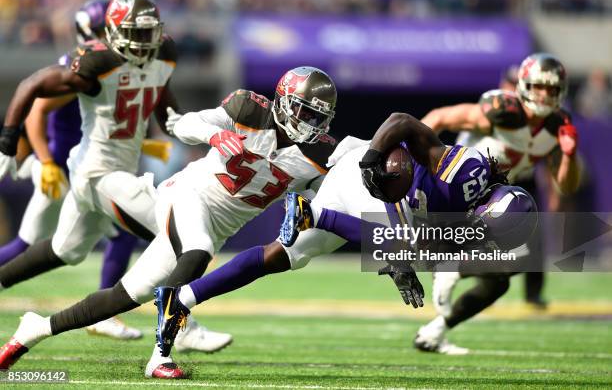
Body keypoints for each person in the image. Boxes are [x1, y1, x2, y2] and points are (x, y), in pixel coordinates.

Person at [0, 65, 339, 379]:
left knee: (124, 296)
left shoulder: (320, 156)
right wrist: (215, 136)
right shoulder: (249, 109)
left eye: (318, 117)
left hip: (218, 226)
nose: (311, 123)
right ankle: (161, 355)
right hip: (187, 195)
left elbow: (328, 198)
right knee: (199, 250)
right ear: (283, 100)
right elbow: (188, 123)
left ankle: (33, 330)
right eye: (305, 111)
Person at [145, 110, 538, 377]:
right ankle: (313, 214)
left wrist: (415, 265)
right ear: (489, 207)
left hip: (383, 205)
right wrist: (371, 158)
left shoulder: (476, 222)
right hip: (373, 178)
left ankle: (181, 300)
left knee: (284, 256)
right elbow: (402, 122)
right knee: (402, 246)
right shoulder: (464, 173)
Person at [0, 0, 231, 355]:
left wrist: (183, 127)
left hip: (104, 172)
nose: (142, 43)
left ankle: (16, 299)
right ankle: (177, 324)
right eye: (134, 34)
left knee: (66, 250)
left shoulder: (164, 55)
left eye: (147, 33)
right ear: (112, 31)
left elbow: (162, 101)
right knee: (183, 237)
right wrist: (8, 140)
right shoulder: (98, 62)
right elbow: (32, 87)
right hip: (98, 173)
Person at [0, 0, 149, 340]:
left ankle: (105, 315)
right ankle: (105, 314)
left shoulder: (113, 65)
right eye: (102, 30)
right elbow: (36, 112)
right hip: (63, 168)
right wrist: (47, 162)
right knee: (27, 248)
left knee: (122, 231)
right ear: (88, 32)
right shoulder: (82, 66)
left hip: (84, 167)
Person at [414, 53, 580, 353]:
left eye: (551, 89)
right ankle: (453, 269)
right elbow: (439, 117)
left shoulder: (557, 127)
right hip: (453, 196)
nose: (544, 94)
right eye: (539, 86)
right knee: (520, 253)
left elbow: (565, 185)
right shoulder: (503, 110)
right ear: (525, 86)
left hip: (484, 204)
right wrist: (416, 167)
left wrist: (568, 153)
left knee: (501, 279)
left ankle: (434, 331)